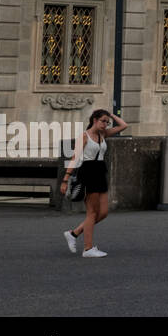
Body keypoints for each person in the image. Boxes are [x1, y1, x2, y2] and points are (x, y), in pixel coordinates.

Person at [61, 109, 128, 258]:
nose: (105, 124)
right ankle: (88, 248)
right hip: (88, 172)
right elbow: (75, 157)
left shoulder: (103, 134)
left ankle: (74, 233)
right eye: (103, 121)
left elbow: (124, 126)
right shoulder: (84, 137)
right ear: (94, 120)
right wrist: (65, 179)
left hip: (100, 171)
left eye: (107, 122)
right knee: (91, 213)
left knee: (103, 212)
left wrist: (111, 115)